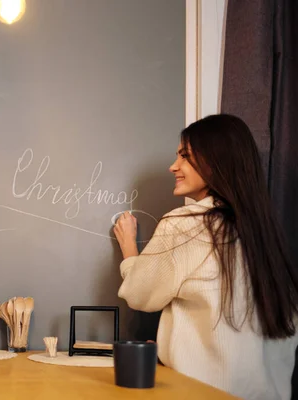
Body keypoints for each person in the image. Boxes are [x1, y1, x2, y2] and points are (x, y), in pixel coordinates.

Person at [113, 114, 298, 400]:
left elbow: (140, 294)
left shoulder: (187, 223)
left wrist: (129, 251)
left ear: (215, 160)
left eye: (184, 156)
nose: (173, 166)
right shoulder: (265, 233)